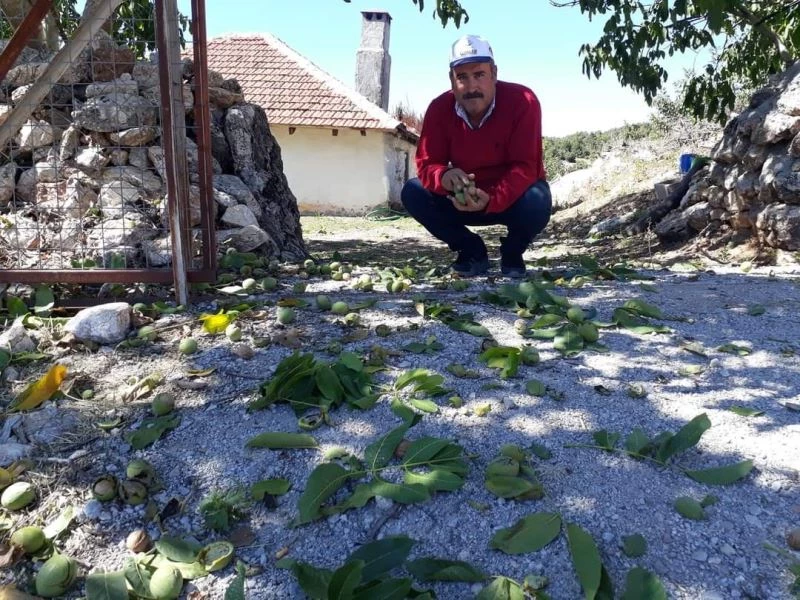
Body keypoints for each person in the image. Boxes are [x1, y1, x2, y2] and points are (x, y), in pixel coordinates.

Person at [401, 34, 552, 278]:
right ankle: (471, 250)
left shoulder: (523, 101)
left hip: (509, 198)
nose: (471, 87)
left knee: (538, 199)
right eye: (462, 77)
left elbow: (526, 166)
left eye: (479, 75)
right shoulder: (439, 109)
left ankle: (513, 252)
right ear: (451, 80)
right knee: (413, 191)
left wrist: (492, 199)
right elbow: (427, 164)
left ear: (494, 73)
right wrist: (445, 176)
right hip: (461, 199)